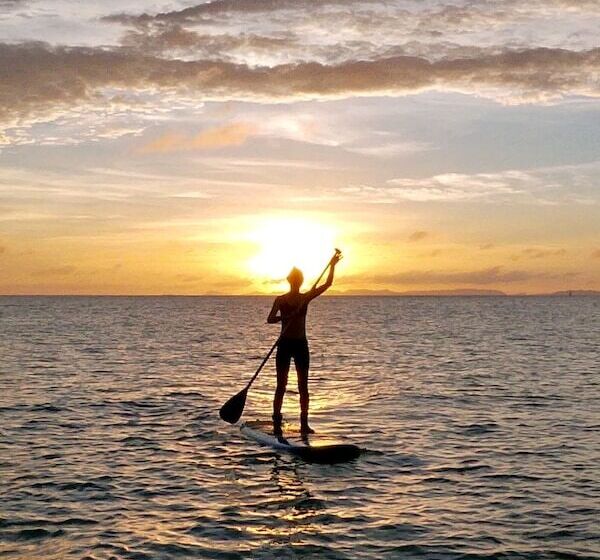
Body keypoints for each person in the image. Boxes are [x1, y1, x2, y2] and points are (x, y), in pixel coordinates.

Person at [267, 252, 342, 436]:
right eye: (294, 280)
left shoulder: (305, 298)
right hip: (285, 344)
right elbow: (270, 319)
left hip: (301, 345)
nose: (296, 283)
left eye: (298, 280)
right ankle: (276, 421)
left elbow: (327, 284)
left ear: (300, 281)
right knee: (281, 385)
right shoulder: (280, 300)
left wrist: (332, 265)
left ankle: (304, 424)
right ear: (290, 281)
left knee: (303, 386)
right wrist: (286, 317)